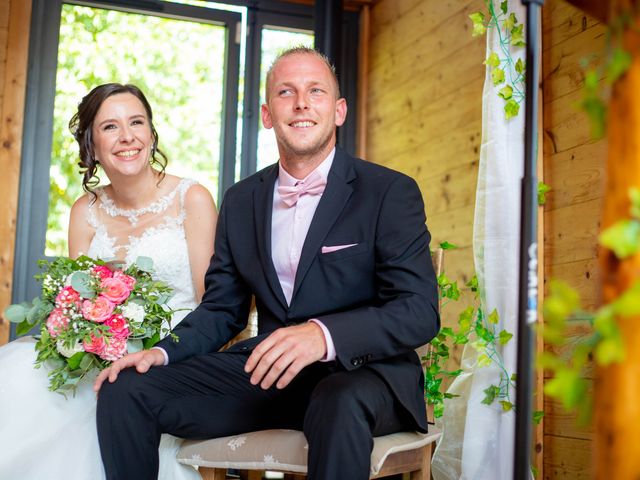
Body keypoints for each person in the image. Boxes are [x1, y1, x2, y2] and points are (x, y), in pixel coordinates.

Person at [95, 47, 440, 480]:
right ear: (266, 113)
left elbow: (418, 311)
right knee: (127, 389)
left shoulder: (388, 191)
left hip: (365, 378)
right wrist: (161, 353)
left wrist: (323, 335)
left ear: (338, 111)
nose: (300, 103)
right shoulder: (242, 200)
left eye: (315, 91)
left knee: (337, 400)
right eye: (285, 92)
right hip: (271, 375)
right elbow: (222, 308)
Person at [0, 83, 217, 480]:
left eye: (136, 122)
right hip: (98, 351)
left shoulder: (193, 198)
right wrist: (81, 331)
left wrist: (160, 350)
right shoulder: (86, 210)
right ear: (92, 145)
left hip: (172, 348)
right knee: (18, 373)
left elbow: (211, 303)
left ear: (151, 134)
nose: (127, 136)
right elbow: (76, 294)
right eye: (110, 127)